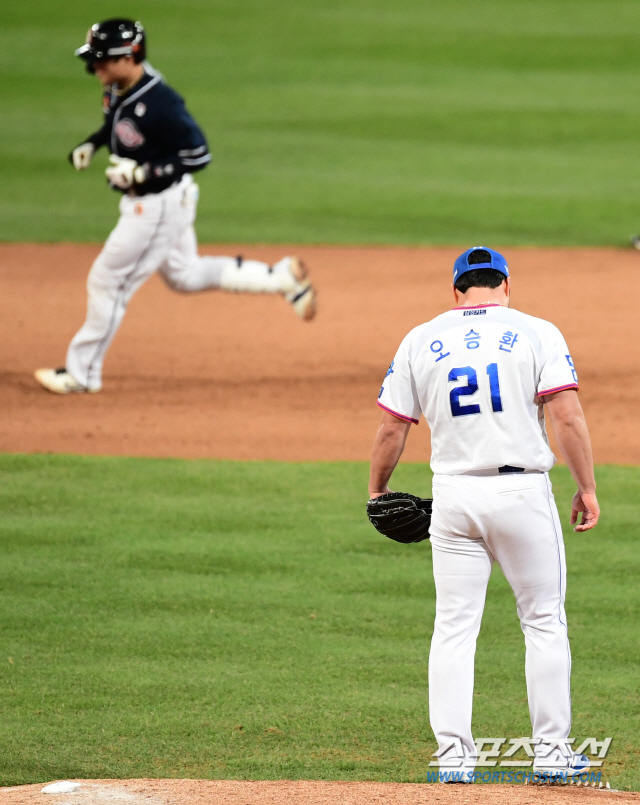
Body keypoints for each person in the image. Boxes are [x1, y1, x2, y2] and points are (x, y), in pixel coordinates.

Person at [368, 247, 599, 782]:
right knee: (543, 620)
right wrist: (586, 487)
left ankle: (454, 760)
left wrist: (378, 490)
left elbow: (391, 428)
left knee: (453, 628)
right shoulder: (538, 331)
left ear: (456, 291)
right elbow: (566, 416)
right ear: (506, 285)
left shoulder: (420, 338)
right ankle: (550, 756)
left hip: (452, 498)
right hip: (522, 495)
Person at [35, 19, 316, 395]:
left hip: (156, 206)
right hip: (162, 202)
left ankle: (81, 374)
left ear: (130, 56)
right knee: (186, 274)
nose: (95, 68)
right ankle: (282, 278)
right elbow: (115, 124)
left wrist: (143, 173)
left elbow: (199, 153)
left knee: (108, 281)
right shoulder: (119, 86)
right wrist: (93, 143)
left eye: (102, 60)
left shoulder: (162, 103)